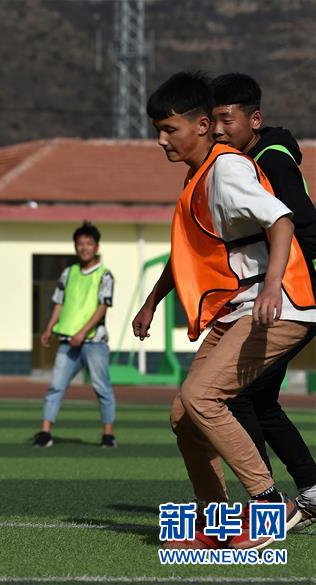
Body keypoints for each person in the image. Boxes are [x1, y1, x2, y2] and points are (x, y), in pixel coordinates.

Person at [133, 72, 314, 549]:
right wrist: (151, 301)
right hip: (239, 310)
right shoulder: (199, 176)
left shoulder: (227, 169)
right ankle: (215, 520)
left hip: (279, 305)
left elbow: (281, 219)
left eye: (169, 129)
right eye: (157, 130)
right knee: (184, 414)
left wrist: (272, 287)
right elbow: (187, 255)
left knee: (203, 397)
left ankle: (270, 503)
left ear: (201, 126)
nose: (161, 140)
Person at [211, 72, 316, 531]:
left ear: (254, 119)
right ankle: (309, 491)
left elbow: (302, 223)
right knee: (260, 398)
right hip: (291, 295)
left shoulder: (270, 159)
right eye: (212, 121)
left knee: (238, 396)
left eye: (227, 120)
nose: (218, 130)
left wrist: (285, 282)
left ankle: (269, 503)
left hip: (297, 297)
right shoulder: (247, 159)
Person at [32, 222, 116, 448]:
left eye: (89, 243)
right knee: (56, 386)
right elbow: (59, 302)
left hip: (94, 342)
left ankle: (108, 435)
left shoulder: (105, 275)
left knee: (102, 387)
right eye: (80, 243)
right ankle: (45, 432)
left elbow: (102, 307)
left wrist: (82, 332)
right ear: (75, 246)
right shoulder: (68, 273)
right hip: (67, 341)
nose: (84, 247)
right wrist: (49, 328)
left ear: (96, 246)